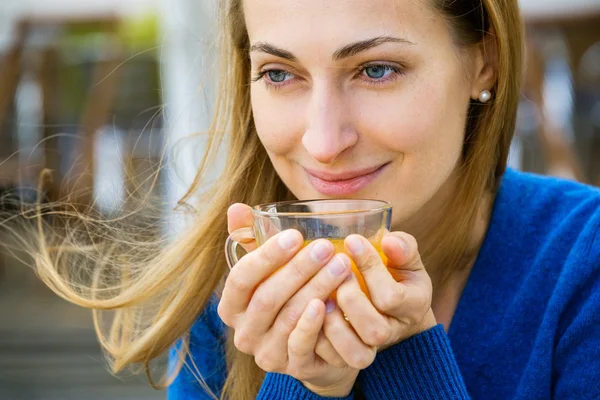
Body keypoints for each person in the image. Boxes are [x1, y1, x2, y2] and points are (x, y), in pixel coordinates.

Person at [27, 0, 600, 399]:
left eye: (377, 70)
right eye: (279, 74)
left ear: (486, 61)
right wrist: (303, 384)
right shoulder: (231, 283)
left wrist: (404, 354)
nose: (323, 143)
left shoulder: (583, 263)